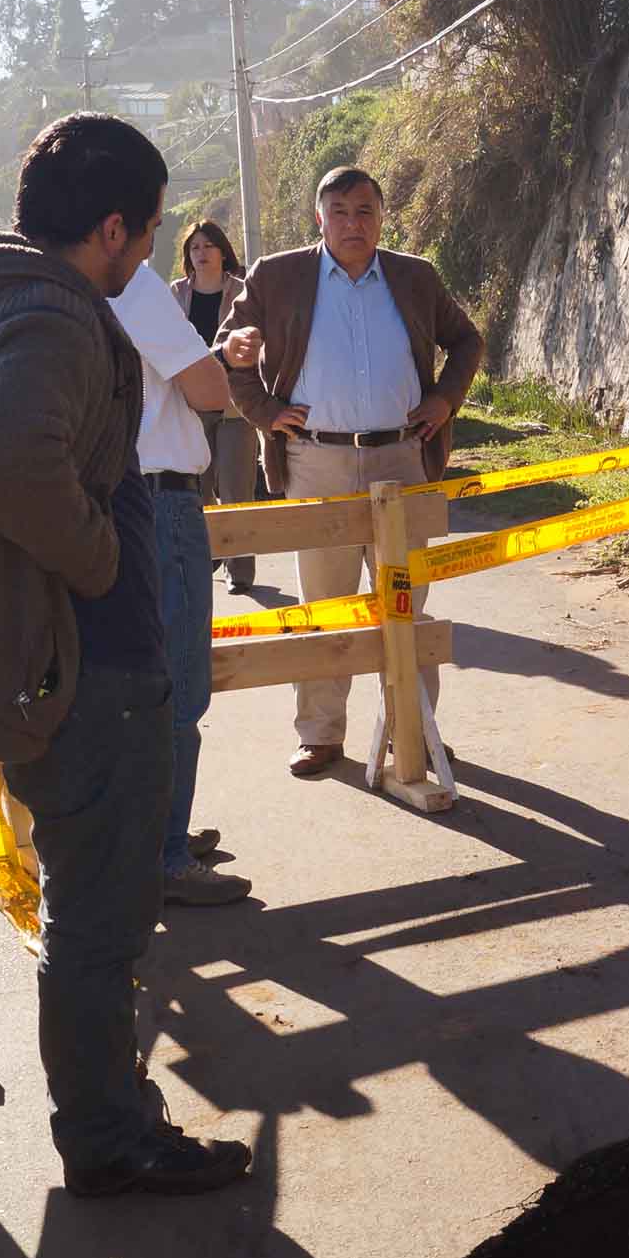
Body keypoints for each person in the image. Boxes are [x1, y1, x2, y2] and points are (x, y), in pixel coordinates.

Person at [0, 112, 252, 1196]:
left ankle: (109, 1117)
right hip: (85, 670)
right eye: (142, 233)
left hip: (62, 664)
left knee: (93, 913)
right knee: (101, 923)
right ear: (110, 226)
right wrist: (99, 562)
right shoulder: (49, 308)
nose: (146, 252)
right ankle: (108, 1137)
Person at [218, 166, 484, 778]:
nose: (352, 224)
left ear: (382, 216)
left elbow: (466, 341)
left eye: (364, 211)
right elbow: (227, 348)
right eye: (338, 211)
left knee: (407, 602)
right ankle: (320, 733)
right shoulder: (277, 276)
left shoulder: (414, 277)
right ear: (320, 218)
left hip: (402, 457)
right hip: (317, 460)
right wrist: (263, 411)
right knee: (325, 603)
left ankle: (412, 730)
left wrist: (444, 401)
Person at [110, 261, 253, 907]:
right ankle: (167, 857)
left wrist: (209, 354)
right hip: (163, 500)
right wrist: (214, 360)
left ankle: (155, 838)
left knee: (143, 686)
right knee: (178, 688)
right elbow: (209, 393)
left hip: (119, 501)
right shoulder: (133, 285)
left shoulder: (65, 280)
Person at [173, 219, 260, 594]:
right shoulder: (175, 295)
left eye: (208, 245)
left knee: (237, 487)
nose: (202, 253)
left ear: (223, 251)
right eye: (195, 247)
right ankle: (208, 555)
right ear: (188, 256)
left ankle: (239, 571)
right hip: (192, 403)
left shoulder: (243, 291)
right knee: (198, 488)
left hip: (236, 405)